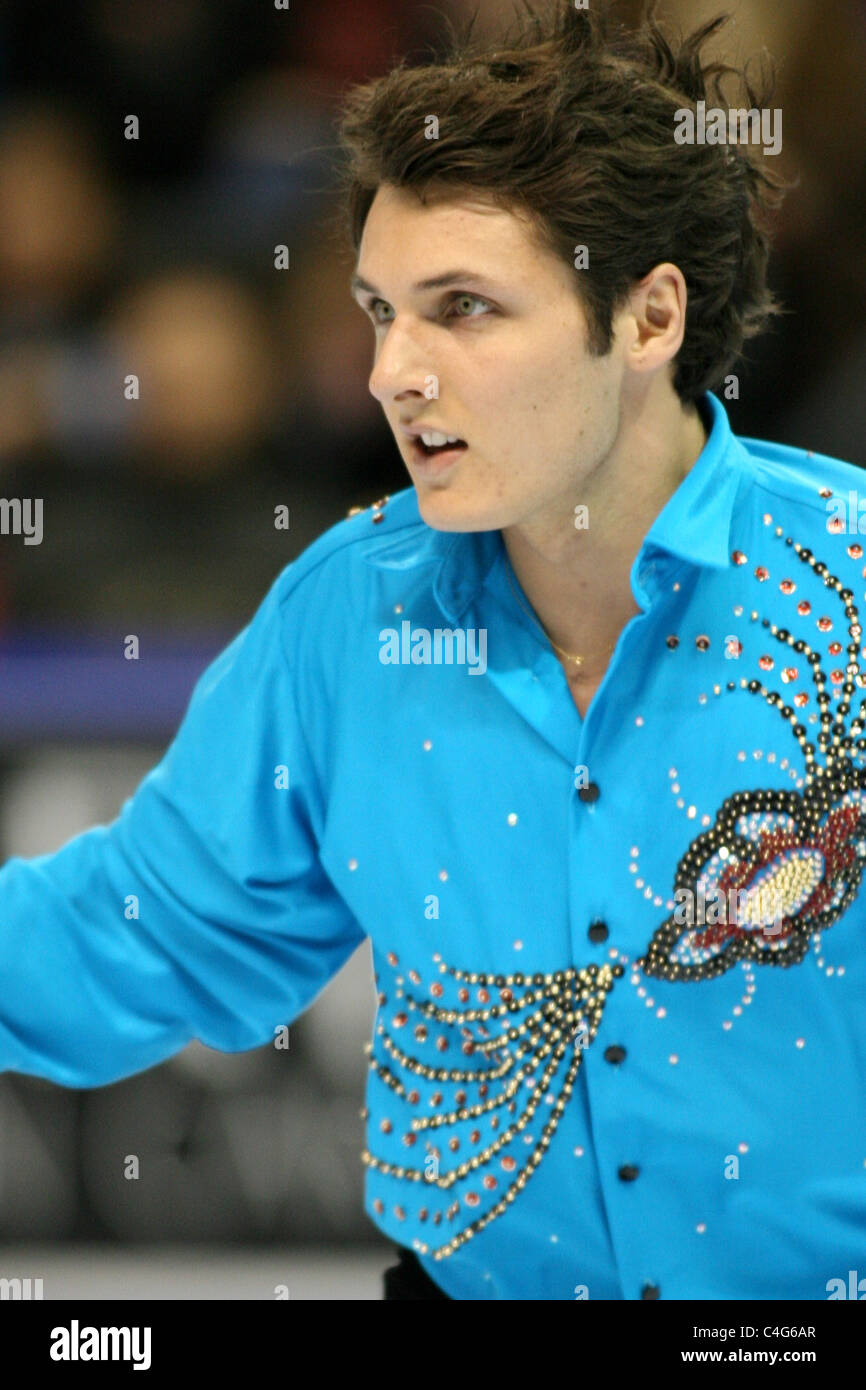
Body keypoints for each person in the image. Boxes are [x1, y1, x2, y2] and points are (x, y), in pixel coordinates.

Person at [2, 0, 864, 1300]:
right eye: (380, 311)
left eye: (462, 308)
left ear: (647, 319)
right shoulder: (347, 616)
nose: (391, 372)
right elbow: (139, 928)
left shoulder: (844, 595)